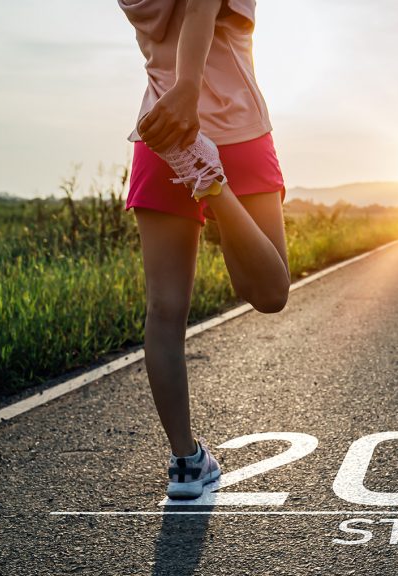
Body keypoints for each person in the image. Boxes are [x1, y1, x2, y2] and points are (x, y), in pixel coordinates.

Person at [118, 0, 291, 499]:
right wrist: (189, 90)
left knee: (163, 311)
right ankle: (211, 182)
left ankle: (186, 464)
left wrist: (178, 99)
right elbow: (198, 8)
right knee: (271, 290)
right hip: (235, 125)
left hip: (159, 131)